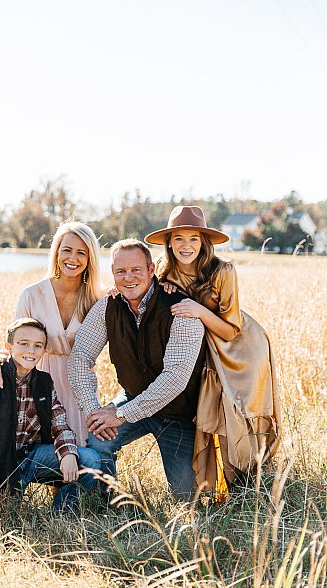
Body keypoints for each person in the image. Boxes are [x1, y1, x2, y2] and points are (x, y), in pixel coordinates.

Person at [144, 205, 281, 493]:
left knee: (239, 417)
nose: (186, 246)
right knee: (209, 418)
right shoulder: (161, 271)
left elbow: (231, 328)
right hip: (203, 356)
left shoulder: (222, 271)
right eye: (179, 239)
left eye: (194, 239)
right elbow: (135, 287)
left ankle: (249, 486)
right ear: (169, 242)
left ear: (204, 242)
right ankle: (216, 486)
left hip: (239, 350)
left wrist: (198, 310)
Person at [68, 239, 206, 501]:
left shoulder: (181, 309)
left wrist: (121, 414)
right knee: (98, 441)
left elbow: (174, 379)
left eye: (136, 270)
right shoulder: (108, 306)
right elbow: (79, 358)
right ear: (113, 273)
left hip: (179, 412)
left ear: (152, 270)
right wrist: (94, 412)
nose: (128, 278)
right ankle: (109, 502)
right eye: (120, 271)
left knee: (187, 498)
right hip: (134, 396)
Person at [0, 220, 103, 446]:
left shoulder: (98, 300)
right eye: (67, 250)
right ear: (56, 252)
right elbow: (16, 344)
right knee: (48, 455)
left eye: (81, 253)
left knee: (85, 459)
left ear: (90, 258)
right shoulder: (31, 295)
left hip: (81, 387)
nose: (72, 259)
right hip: (40, 383)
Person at [0, 317, 100, 509]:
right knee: (8, 514)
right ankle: (5, 496)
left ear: (44, 351)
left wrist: (68, 454)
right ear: (9, 346)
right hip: (0, 465)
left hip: (32, 458)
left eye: (38, 345)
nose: (31, 351)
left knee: (90, 459)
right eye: (24, 344)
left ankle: (62, 513)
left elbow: (60, 424)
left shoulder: (44, 382)